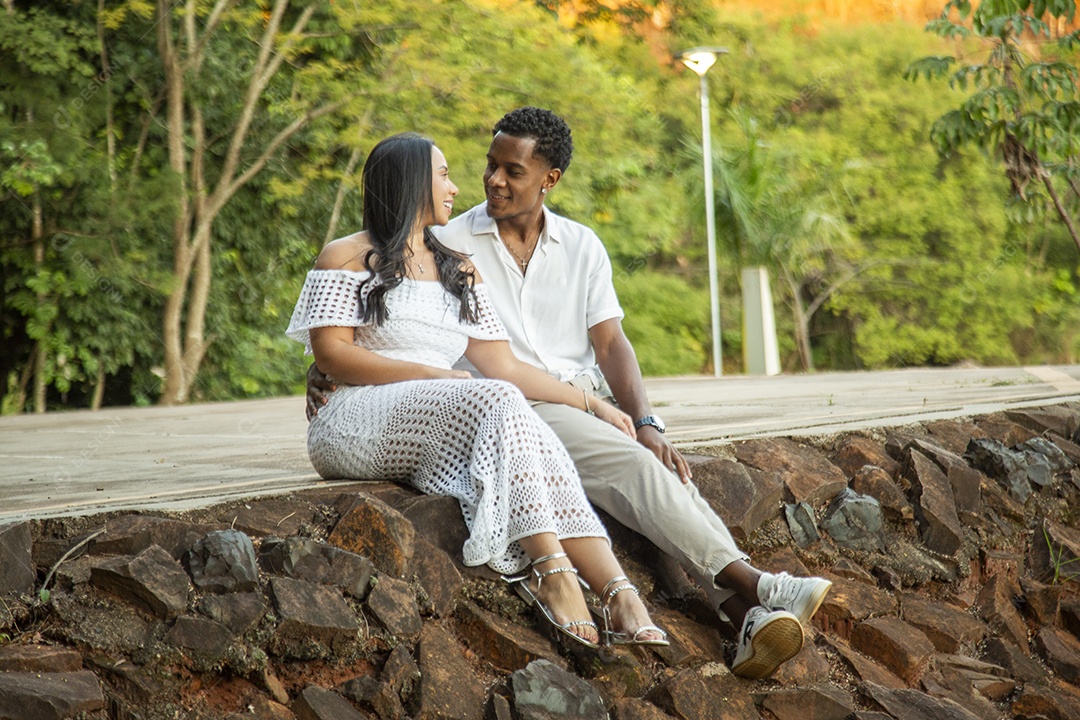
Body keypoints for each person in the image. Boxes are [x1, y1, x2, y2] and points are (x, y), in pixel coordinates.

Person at [307, 110, 831, 679]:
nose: (487, 182)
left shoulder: (567, 247)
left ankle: (740, 610)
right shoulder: (448, 237)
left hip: (542, 395)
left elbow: (605, 343)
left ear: (549, 178)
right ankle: (746, 585)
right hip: (488, 402)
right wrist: (338, 366)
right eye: (485, 167)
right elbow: (354, 333)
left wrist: (638, 415)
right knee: (631, 465)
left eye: (511, 170)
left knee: (655, 463)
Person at [286, 132, 668, 651]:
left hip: (434, 415)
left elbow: (503, 365)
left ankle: (616, 589)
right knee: (495, 400)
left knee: (526, 427)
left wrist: (591, 402)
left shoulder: (457, 266)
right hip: (352, 419)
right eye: (443, 175)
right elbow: (331, 354)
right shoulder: (346, 256)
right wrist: (433, 375)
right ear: (411, 182)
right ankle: (553, 571)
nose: (457, 187)